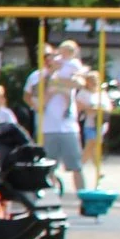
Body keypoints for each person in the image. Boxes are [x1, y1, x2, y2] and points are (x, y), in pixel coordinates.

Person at [26, 41, 84, 189]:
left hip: (68, 127)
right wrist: (52, 88)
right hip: (47, 127)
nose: (49, 59)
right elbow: (35, 100)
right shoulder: (36, 77)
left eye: (51, 55)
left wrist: (60, 82)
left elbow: (79, 83)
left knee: (76, 165)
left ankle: (83, 198)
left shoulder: (67, 69)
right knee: (48, 167)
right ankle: (48, 197)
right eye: (45, 56)